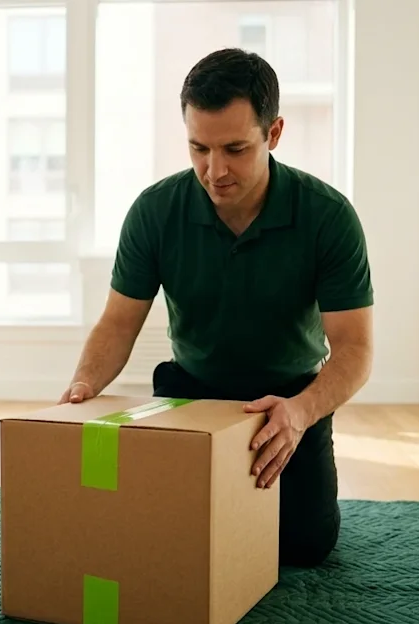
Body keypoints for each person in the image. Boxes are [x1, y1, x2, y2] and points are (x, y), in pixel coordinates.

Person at [57, 48, 375, 568]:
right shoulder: (155, 211)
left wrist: (300, 413)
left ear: (273, 134)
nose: (214, 170)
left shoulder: (328, 217)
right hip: (192, 394)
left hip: (287, 399)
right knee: (165, 535)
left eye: (235, 148)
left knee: (303, 548)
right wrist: (83, 388)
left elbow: (356, 349)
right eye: (198, 148)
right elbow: (117, 323)